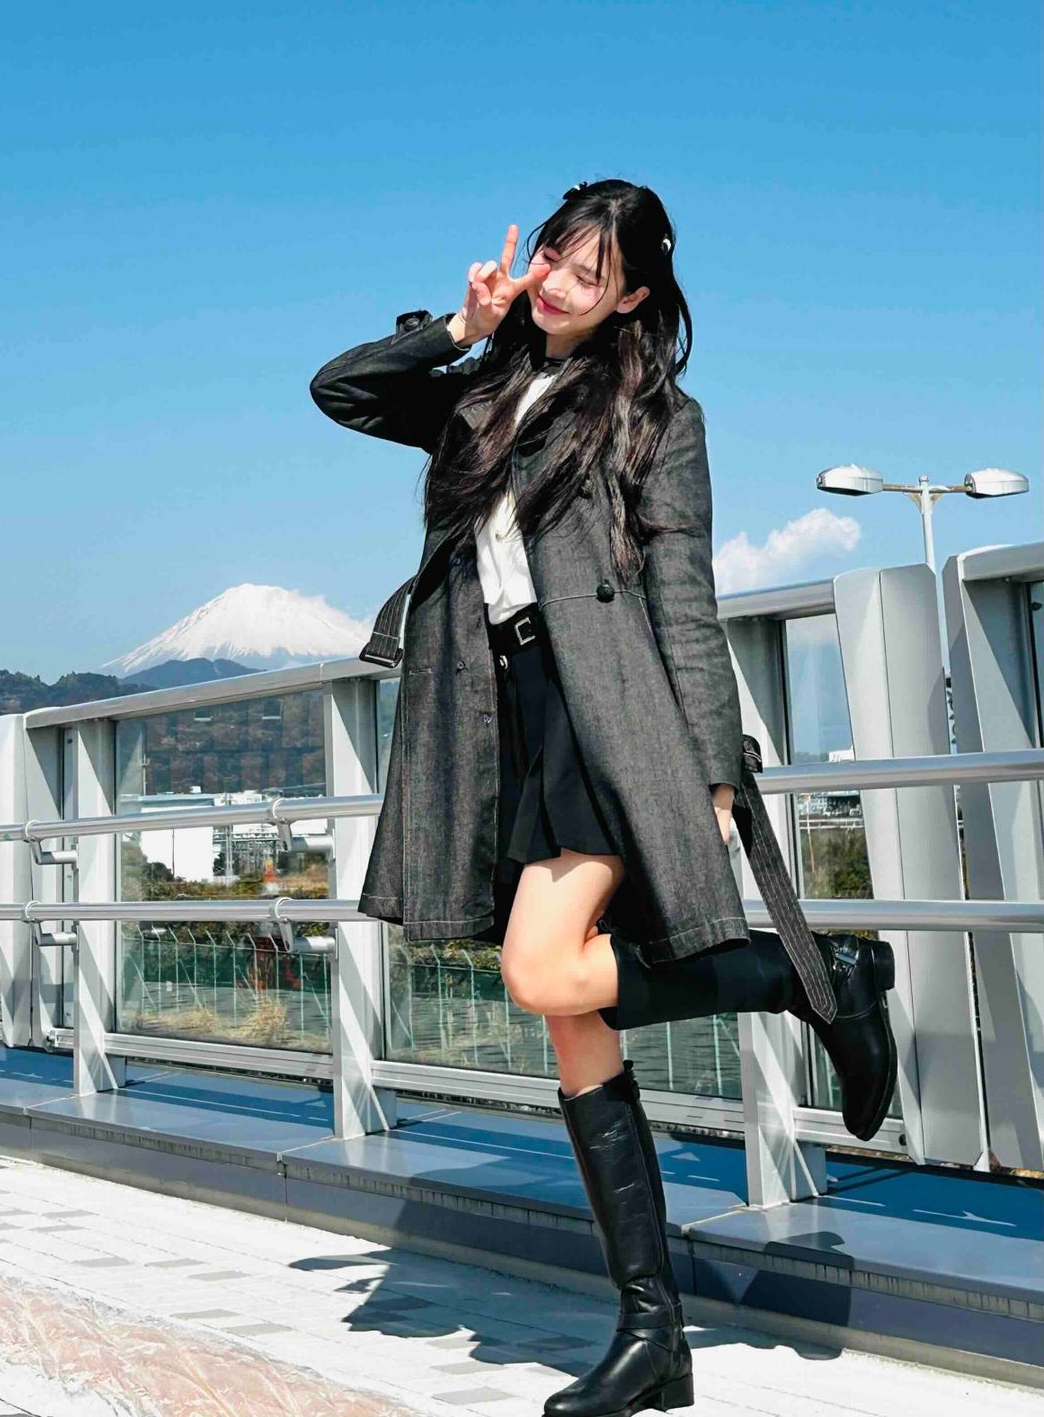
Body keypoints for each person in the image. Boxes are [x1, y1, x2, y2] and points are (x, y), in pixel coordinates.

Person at [309, 180, 897, 1417]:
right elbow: (341, 390)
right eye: (557, 255)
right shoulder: (477, 389)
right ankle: (652, 1337)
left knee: (543, 971)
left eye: (593, 271)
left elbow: (685, 596)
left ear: (632, 295)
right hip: (499, 715)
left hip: (607, 717)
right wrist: (461, 328)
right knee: (574, 1022)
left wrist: (713, 765)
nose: (564, 282)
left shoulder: (658, 416)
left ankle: (815, 977)